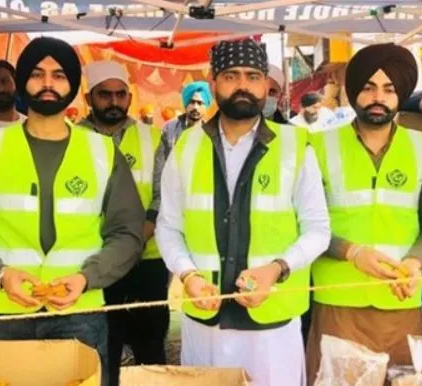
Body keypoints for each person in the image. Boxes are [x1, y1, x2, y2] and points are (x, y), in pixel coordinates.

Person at [0, 37, 145, 386]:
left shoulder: (102, 152)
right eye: (37, 73)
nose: (48, 83)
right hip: (2, 313)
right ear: (22, 82)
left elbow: (128, 232)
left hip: (79, 311)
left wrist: (86, 278)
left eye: (59, 75)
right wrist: (0, 274)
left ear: (74, 86)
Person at [156, 38, 330, 386]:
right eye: (231, 75)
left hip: (272, 329)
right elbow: (168, 227)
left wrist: (277, 269)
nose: (242, 86)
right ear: (213, 81)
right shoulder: (186, 146)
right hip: (204, 326)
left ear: (266, 84)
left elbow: (317, 229)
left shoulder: (296, 146)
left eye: (253, 76)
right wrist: (189, 275)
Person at [306, 43, 422, 385]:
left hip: (402, 302)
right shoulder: (318, 146)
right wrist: (352, 253)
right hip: (338, 303)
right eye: (368, 87)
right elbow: (304, 224)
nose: (378, 97)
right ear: (353, 93)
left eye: (389, 89)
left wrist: (415, 262)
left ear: (401, 95)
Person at [79, 60, 169, 386]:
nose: (114, 102)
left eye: (120, 94)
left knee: (151, 351)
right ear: (89, 98)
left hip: (147, 262)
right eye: (105, 95)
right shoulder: (72, 139)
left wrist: (134, 240)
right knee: (101, 349)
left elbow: (163, 197)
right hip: (94, 264)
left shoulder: (154, 139)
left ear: (129, 97)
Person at [161, 80, 212, 158]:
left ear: (206, 107)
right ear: (186, 105)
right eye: (192, 102)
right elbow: (159, 161)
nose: (195, 107)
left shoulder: (211, 135)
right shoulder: (170, 128)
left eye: (200, 103)